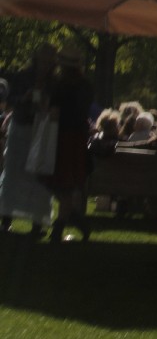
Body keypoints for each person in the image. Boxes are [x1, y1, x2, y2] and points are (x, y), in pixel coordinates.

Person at [0, 43, 58, 238]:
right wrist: (24, 98)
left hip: (41, 129)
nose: (45, 64)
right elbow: (10, 101)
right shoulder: (23, 76)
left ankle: (37, 222)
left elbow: (57, 106)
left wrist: (47, 106)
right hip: (21, 126)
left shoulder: (54, 82)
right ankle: (6, 220)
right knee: (13, 173)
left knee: (39, 176)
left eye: (49, 61)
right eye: (43, 59)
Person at [48, 41, 95, 243]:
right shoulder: (87, 86)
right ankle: (72, 217)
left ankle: (62, 225)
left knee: (60, 183)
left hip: (63, 137)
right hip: (78, 137)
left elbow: (54, 113)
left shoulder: (60, 86)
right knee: (67, 182)